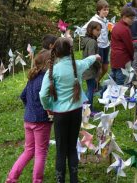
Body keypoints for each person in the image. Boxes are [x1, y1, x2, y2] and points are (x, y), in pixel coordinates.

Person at [39, 38, 100, 183]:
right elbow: (87, 61)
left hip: (60, 114)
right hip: (76, 112)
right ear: (70, 51)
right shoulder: (77, 66)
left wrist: (48, 106)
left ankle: (61, 181)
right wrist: (96, 56)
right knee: (72, 147)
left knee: (61, 151)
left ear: (55, 52)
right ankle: (74, 180)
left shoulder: (52, 71)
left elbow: (43, 94)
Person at [6, 50, 52, 183]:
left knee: (29, 151)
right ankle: (37, 180)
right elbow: (46, 98)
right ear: (48, 63)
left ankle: (11, 178)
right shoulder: (46, 78)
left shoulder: (32, 78)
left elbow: (23, 96)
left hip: (28, 119)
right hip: (41, 121)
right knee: (40, 152)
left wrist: (30, 108)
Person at [82, 0, 110, 83]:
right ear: (98, 10)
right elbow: (83, 30)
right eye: (104, 9)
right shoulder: (94, 20)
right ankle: (94, 86)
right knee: (99, 69)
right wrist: (91, 40)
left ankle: (96, 83)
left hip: (106, 45)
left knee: (105, 68)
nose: (106, 11)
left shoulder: (105, 19)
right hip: (99, 47)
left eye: (107, 9)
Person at [110, 6, 136, 86]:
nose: (133, 20)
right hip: (122, 60)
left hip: (114, 58)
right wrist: (132, 57)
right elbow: (129, 46)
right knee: (120, 83)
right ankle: (117, 97)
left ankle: (105, 95)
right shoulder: (125, 29)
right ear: (124, 17)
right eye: (131, 18)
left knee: (112, 80)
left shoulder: (116, 26)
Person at [81, 21, 102, 113]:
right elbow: (92, 57)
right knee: (91, 89)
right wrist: (99, 67)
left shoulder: (86, 40)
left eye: (100, 30)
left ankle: (85, 106)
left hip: (86, 68)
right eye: (97, 30)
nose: (99, 32)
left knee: (90, 88)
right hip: (90, 69)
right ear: (91, 29)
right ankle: (89, 110)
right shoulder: (92, 42)